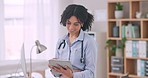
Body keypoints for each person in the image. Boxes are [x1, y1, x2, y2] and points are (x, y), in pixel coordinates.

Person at [48, 4, 97, 78]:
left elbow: (90, 73)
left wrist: (72, 75)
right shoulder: (61, 41)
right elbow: (57, 74)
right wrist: (54, 68)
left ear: (82, 23)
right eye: (68, 23)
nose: (71, 28)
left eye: (76, 24)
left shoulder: (89, 42)